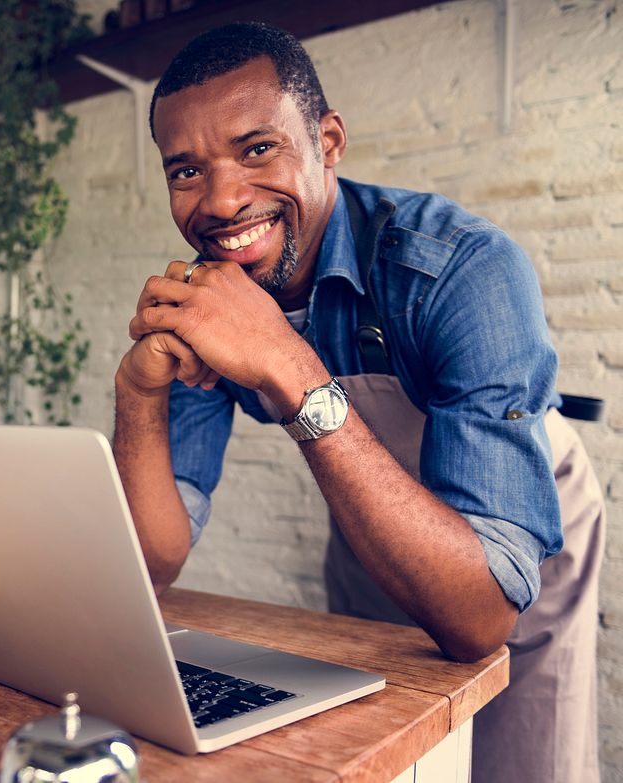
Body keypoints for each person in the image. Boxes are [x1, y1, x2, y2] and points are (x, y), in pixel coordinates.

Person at [112, 21, 604, 783]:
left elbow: (481, 616)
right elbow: (152, 558)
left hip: (523, 556)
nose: (223, 200)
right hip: (372, 539)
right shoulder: (211, 298)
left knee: (520, 763)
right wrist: (138, 393)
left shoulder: (461, 271)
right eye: (185, 171)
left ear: (328, 141)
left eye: (256, 149)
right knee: (384, 752)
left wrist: (285, 362)